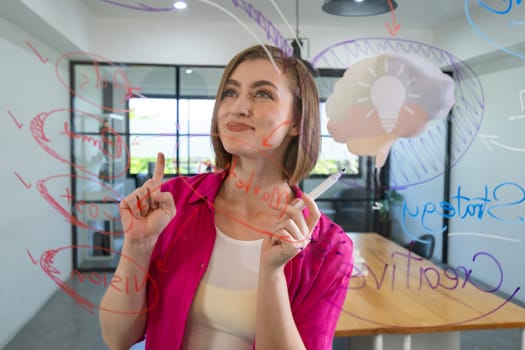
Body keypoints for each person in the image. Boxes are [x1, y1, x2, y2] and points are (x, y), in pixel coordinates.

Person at [99, 44, 354, 350]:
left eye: (262, 94)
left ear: (298, 121)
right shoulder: (171, 203)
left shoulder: (329, 247)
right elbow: (117, 338)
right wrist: (137, 246)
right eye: (230, 93)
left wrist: (272, 273)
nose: (238, 107)